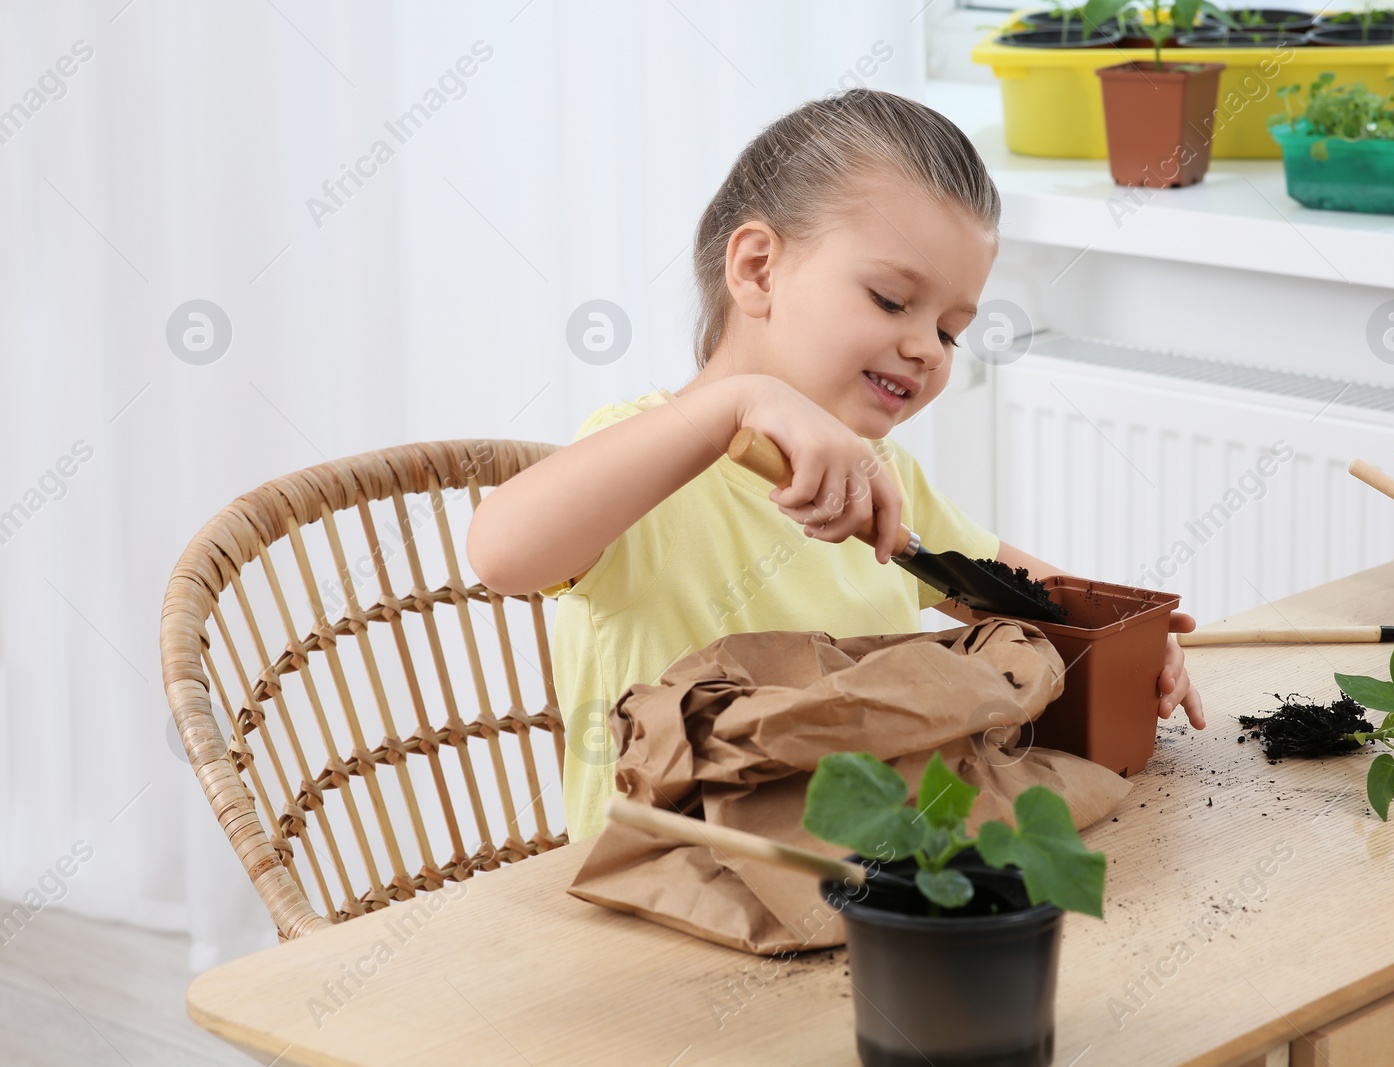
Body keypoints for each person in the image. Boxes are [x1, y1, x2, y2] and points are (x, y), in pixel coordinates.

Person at [467, 89, 1204, 841]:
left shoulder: (885, 476)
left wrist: (1127, 637)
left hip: (857, 882)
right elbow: (502, 552)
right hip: (676, 907)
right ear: (757, 270)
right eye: (891, 300)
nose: (925, 347)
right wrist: (738, 403)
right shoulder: (655, 464)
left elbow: (1020, 593)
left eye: (950, 332)